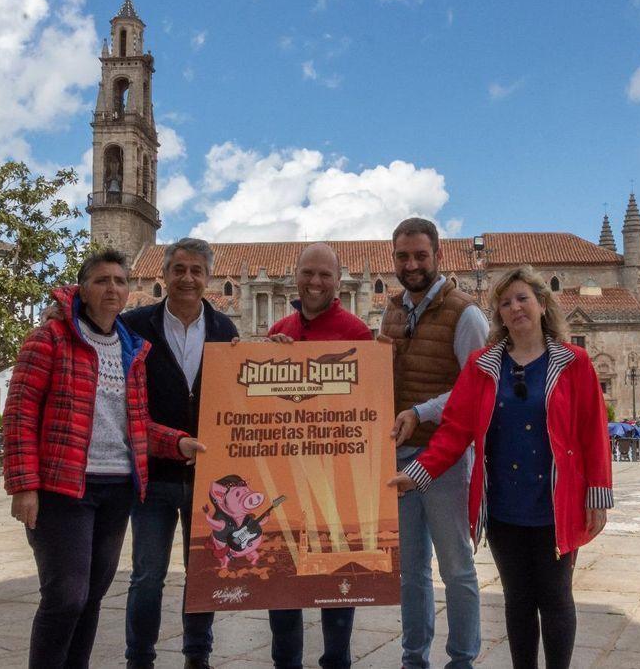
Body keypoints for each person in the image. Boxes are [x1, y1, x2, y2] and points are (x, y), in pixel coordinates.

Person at [388, 265, 613, 669]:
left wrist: (597, 497)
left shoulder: (573, 362)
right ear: (499, 315)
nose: (515, 308)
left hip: (555, 502)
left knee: (556, 598)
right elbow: (455, 430)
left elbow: (592, 432)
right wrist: (416, 474)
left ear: (542, 304)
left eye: (523, 298)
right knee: (518, 600)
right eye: (505, 303)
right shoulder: (483, 365)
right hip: (505, 506)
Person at [3, 249, 205, 669]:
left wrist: (178, 442)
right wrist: (23, 486)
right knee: (65, 596)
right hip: (65, 486)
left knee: (92, 596)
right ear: (83, 288)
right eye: (101, 280)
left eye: (119, 280)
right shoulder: (50, 339)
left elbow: (136, 425)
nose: (112, 288)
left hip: (117, 488)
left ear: (129, 290)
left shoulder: (131, 348)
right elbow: (20, 413)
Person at [122, 238, 238, 669]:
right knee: (147, 577)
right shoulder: (134, 326)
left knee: (202, 573)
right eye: (179, 269)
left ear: (208, 279)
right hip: (153, 474)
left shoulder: (226, 330)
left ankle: (197, 655)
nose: (187, 278)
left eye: (196, 271)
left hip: (207, 477)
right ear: (164, 275)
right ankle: (139, 658)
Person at [257, 242, 373, 668]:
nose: (315, 282)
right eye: (308, 273)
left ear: (338, 281)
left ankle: (336, 662)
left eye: (325, 274)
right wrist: (264, 360)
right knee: (281, 585)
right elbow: (262, 406)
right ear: (295, 276)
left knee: (337, 583)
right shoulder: (278, 331)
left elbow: (365, 409)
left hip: (336, 482)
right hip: (286, 478)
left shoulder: (358, 333)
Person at [380, 218, 488, 669]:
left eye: (420, 255)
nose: (412, 264)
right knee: (409, 572)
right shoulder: (392, 310)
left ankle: (461, 659)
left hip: (445, 459)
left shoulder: (466, 313)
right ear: (394, 259)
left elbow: (477, 385)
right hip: (398, 457)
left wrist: (421, 412)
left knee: (456, 568)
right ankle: (413, 658)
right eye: (403, 256)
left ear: (438, 256)